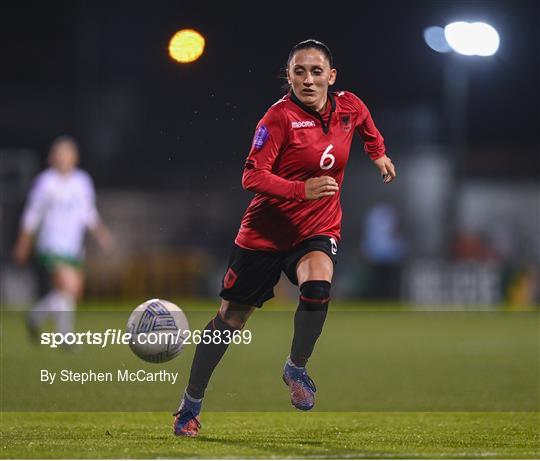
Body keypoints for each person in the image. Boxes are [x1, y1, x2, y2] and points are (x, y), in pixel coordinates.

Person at [173, 39, 396, 437]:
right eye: (299, 72)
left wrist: (378, 153)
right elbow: (251, 176)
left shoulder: (350, 106)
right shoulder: (277, 119)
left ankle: (296, 366)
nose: (308, 80)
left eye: (315, 72)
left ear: (331, 76)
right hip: (263, 236)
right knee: (229, 322)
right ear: (289, 77)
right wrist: (301, 189)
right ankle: (189, 406)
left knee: (318, 286)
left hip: (316, 229)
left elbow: (365, 126)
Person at [12, 135, 113, 342]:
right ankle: (65, 337)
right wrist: (23, 243)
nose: (63, 159)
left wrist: (102, 235)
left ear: (75, 157)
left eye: (67, 154)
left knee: (70, 292)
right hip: (51, 244)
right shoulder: (45, 182)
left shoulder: (82, 181)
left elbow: (88, 213)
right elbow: (32, 215)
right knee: (69, 287)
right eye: (60, 154)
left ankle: (35, 316)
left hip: (73, 245)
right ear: (53, 157)